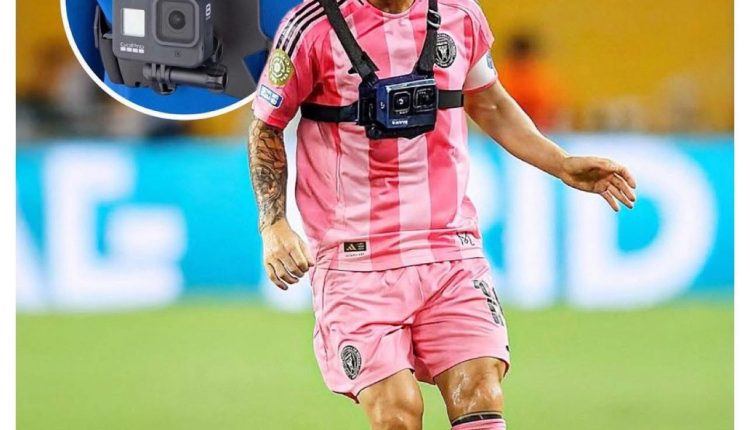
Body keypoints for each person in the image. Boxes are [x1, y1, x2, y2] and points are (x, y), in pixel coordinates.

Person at [248, 0, 637, 428]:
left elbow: (489, 104)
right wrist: (273, 224)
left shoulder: (460, 14)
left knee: (480, 392)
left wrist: (560, 163)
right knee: (397, 413)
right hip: (356, 261)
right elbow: (266, 125)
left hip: (450, 251)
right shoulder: (311, 27)